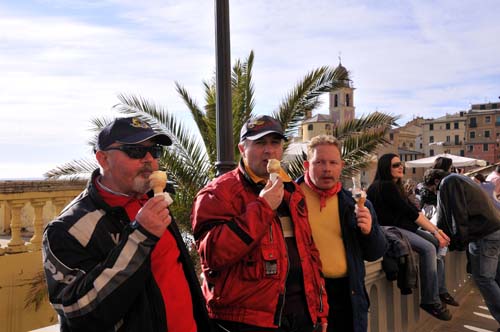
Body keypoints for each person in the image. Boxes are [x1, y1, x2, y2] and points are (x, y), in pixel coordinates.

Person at [42, 117, 211, 332]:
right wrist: (140, 236)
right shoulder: (68, 228)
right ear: (103, 159)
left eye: (155, 151)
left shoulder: (154, 200)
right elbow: (78, 311)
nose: (149, 159)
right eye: (135, 151)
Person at [191, 115, 328, 332]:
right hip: (246, 322)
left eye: (275, 143)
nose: (269, 150)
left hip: (301, 317)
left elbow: (309, 253)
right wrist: (263, 207)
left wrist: (319, 311)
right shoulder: (218, 193)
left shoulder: (292, 191)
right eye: (260, 143)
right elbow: (212, 254)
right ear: (242, 148)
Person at [296, 135, 387, 332]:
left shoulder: (356, 204)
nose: (327, 168)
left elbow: (376, 252)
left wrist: (369, 231)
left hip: (347, 295)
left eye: (333, 162)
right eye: (319, 162)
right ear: (306, 165)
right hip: (303, 297)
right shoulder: (289, 200)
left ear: (341, 166)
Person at [366, 153, 452, 321]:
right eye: (396, 165)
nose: (401, 167)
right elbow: (412, 214)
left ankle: (440, 289)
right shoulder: (384, 186)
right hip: (390, 229)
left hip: (402, 227)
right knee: (428, 248)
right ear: (385, 168)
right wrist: (435, 231)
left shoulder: (394, 186)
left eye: (401, 164)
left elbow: (414, 212)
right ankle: (430, 300)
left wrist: (437, 232)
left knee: (436, 243)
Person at [428, 168, 500, 329]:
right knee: (494, 278)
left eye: (434, 190)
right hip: (493, 230)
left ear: (435, 182)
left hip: (484, 235)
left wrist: (458, 241)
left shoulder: (448, 183)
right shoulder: (460, 178)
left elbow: (457, 214)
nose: (437, 194)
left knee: (484, 279)